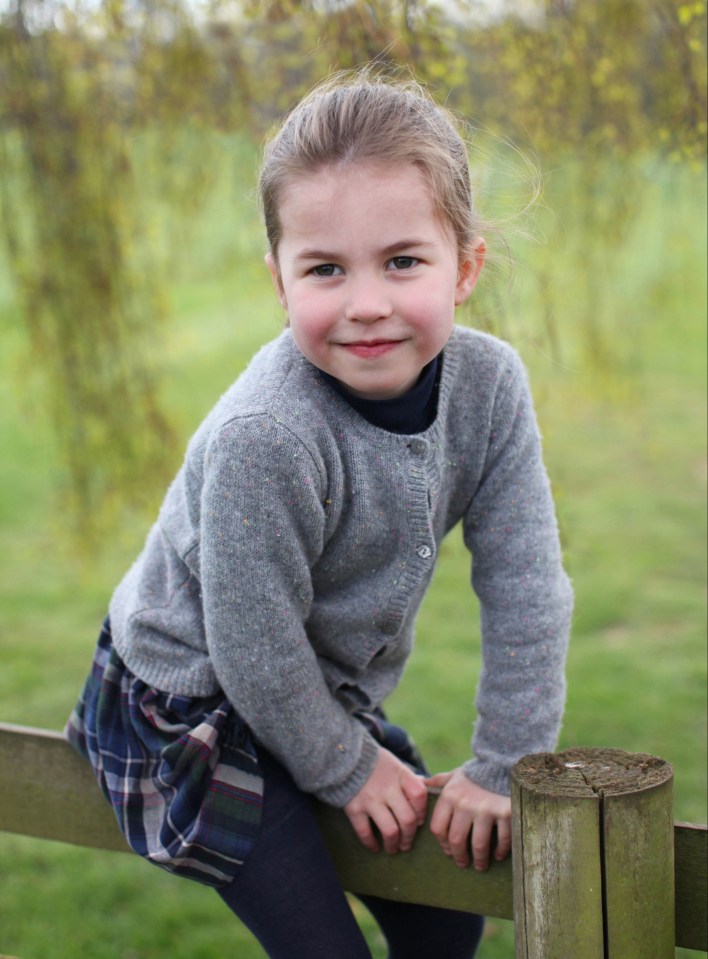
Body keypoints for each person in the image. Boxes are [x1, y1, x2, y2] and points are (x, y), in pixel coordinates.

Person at [65, 72, 573, 959]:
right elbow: (250, 642)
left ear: (467, 266)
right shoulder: (268, 435)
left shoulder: (490, 391)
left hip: (308, 687)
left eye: (403, 260)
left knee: (448, 913)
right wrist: (348, 766)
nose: (366, 302)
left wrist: (500, 766)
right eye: (326, 269)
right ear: (279, 279)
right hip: (187, 703)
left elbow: (528, 587)